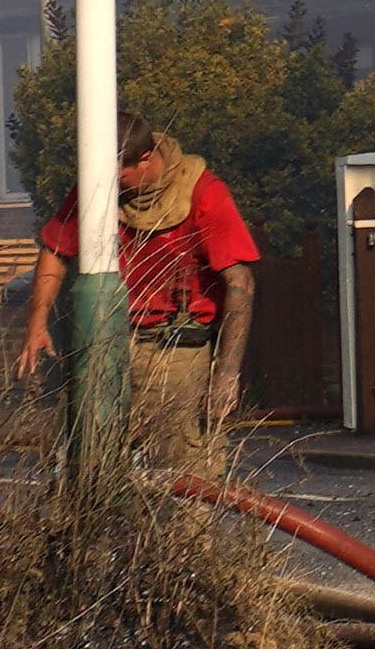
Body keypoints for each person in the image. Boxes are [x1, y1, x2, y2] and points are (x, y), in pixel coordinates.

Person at [14, 122, 261, 438]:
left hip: (177, 353)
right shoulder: (97, 186)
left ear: (145, 159)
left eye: (121, 177)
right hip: (106, 346)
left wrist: (226, 377)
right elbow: (56, 249)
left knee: (186, 469)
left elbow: (241, 283)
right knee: (86, 452)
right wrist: (36, 324)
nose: (110, 186)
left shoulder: (204, 193)